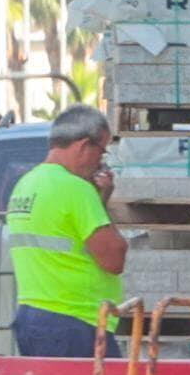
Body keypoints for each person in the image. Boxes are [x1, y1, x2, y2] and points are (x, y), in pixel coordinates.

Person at [7, 106, 126, 358]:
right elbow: (114, 259)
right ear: (84, 145)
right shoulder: (75, 189)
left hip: (33, 315)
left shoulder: (26, 184)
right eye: (101, 151)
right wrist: (99, 200)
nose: (101, 162)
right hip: (75, 321)